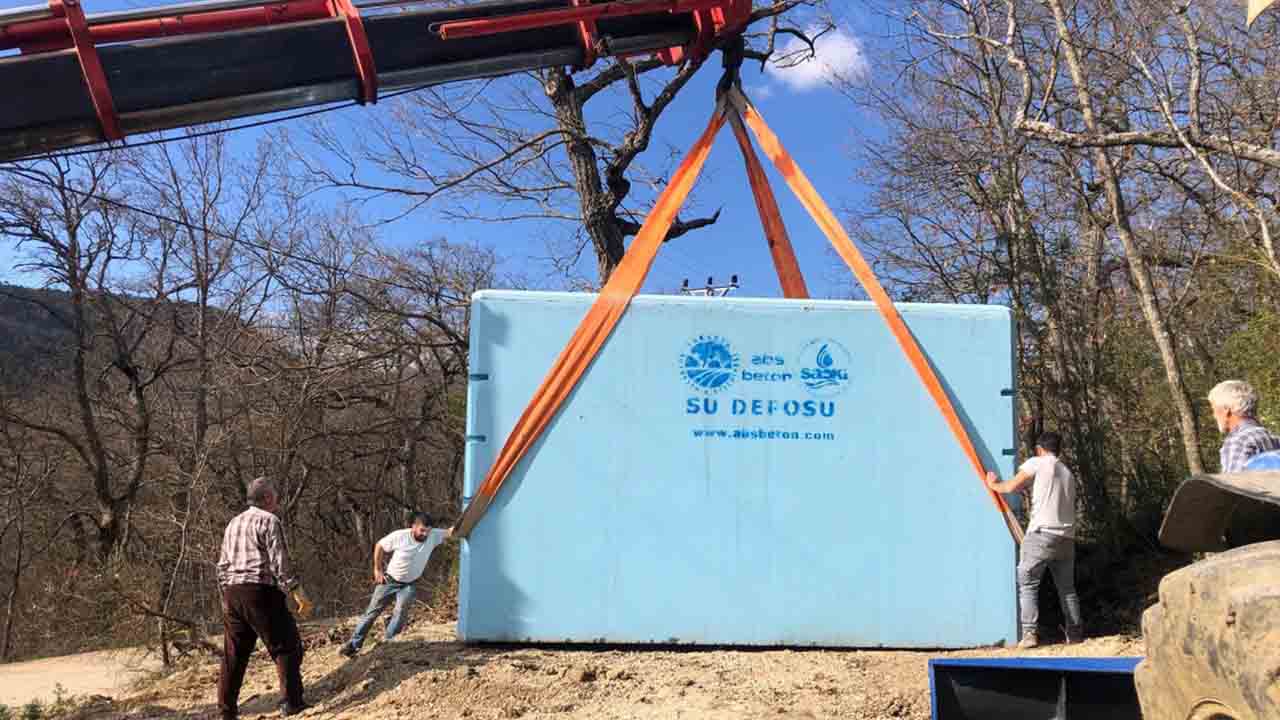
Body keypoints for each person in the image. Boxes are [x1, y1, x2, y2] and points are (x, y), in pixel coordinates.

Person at [216, 477, 314, 719]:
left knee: (234, 655)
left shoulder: (233, 523)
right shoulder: (269, 520)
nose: (277, 499)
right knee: (287, 646)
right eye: (275, 495)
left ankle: (226, 711)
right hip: (260, 591)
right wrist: (296, 590)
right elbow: (279, 561)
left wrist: (226, 597)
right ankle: (291, 702)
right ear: (268, 498)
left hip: (232, 593)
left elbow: (222, 565)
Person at [985, 431, 1082, 649]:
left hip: (1041, 535)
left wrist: (993, 485)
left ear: (1039, 449)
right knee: (1067, 589)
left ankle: (1029, 634)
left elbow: (1012, 487)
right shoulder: (1068, 473)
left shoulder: (1037, 462)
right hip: (1066, 538)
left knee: (1027, 583)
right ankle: (1075, 635)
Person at [339, 513, 452, 657]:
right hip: (389, 581)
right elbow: (380, 545)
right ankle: (354, 645)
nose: (425, 534)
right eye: (422, 530)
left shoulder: (433, 535)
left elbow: (451, 532)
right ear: (413, 527)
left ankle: (389, 643)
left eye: (428, 531)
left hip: (409, 583)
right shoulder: (400, 536)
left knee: (401, 612)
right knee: (372, 613)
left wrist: (470, 519)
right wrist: (377, 569)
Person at [1208, 380, 1280, 473]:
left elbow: (1233, 481)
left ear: (1226, 410)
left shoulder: (1239, 441)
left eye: (1214, 409)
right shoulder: (1274, 438)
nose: (1214, 415)